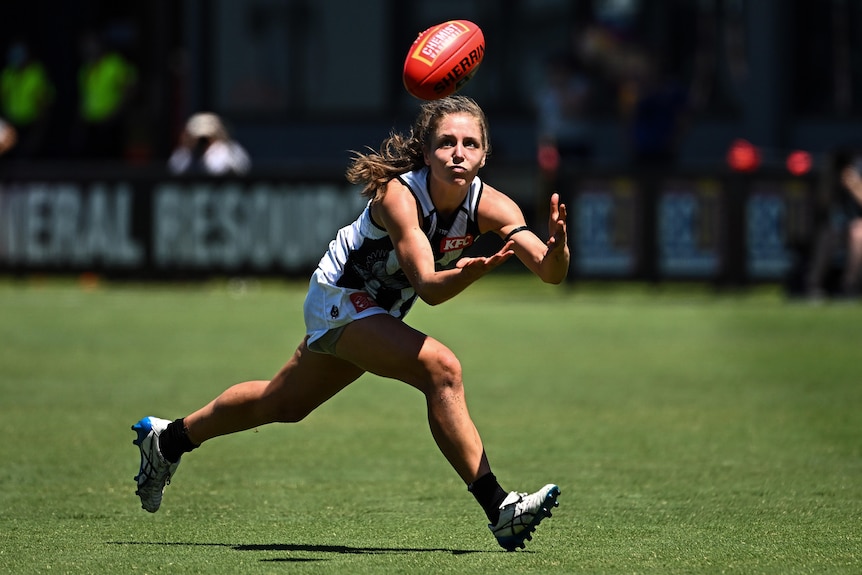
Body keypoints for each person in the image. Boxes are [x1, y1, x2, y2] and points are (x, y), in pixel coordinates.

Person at [132, 95, 568, 551]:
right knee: (441, 369)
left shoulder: (494, 206)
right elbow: (429, 288)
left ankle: (169, 440)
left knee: (281, 403)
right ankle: (500, 508)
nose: (458, 153)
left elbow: (550, 272)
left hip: (377, 311)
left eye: (470, 143)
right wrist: (466, 274)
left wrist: (556, 248)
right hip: (338, 297)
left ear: (484, 154)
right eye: (446, 143)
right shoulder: (400, 196)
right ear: (425, 152)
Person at [805, 149, 862, 301]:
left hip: (855, 229)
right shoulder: (829, 180)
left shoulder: (856, 182)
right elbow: (823, 206)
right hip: (833, 228)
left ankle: (850, 285)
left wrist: (855, 186)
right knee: (828, 234)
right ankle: (814, 286)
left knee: (859, 231)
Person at [74, 32, 138, 160]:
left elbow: (130, 89)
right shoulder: (85, 70)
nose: (89, 49)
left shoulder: (114, 64)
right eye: (85, 46)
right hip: (91, 124)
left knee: (111, 159)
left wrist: (117, 113)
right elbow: (84, 98)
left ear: (100, 45)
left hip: (111, 123)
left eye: (92, 45)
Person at [0, 40, 55, 159]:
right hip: (11, 126)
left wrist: (38, 131)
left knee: (30, 155)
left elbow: (44, 103)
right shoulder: (7, 74)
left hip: (31, 124)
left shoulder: (37, 73)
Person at [167, 112, 251, 176]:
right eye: (197, 138)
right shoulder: (184, 153)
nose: (201, 142)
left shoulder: (227, 151)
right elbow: (175, 171)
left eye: (206, 138)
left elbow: (217, 171)